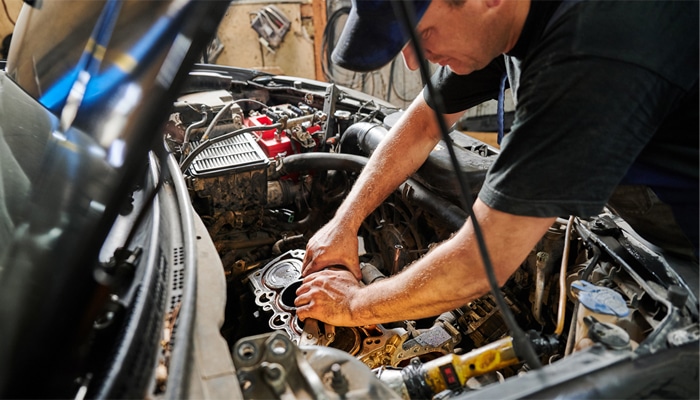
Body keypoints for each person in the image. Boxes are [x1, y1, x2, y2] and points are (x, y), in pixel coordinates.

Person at [294, 0, 699, 327]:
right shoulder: (507, 21)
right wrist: (344, 223)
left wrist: (352, 304)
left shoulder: (594, 48)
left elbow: (480, 262)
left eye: (424, 34)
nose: (415, 63)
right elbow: (420, 125)